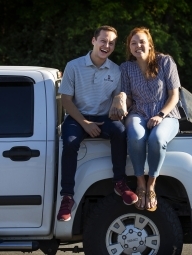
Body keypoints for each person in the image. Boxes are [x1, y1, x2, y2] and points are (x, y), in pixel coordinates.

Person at [57, 25, 138, 222]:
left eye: (111, 43)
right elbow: (66, 100)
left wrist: (120, 99)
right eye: (103, 40)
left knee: (120, 132)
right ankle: (67, 197)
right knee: (69, 142)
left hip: (104, 117)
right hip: (78, 117)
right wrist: (85, 124)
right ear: (93, 41)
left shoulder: (116, 70)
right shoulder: (74, 66)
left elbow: (120, 97)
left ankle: (119, 182)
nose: (107, 45)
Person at [119, 27, 181, 211]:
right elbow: (129, 99)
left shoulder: (165, 62)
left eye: (142, 42)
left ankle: (152, 184)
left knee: (157, 139)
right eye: (133, 43)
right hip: (138, 112)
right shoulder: (126, 68)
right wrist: (121, 99)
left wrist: (160, 115)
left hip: (166, 113)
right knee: (136, 137)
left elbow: (174, 96)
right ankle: (140, 182)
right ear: (129, 47)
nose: (138, 46)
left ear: (150, 44)